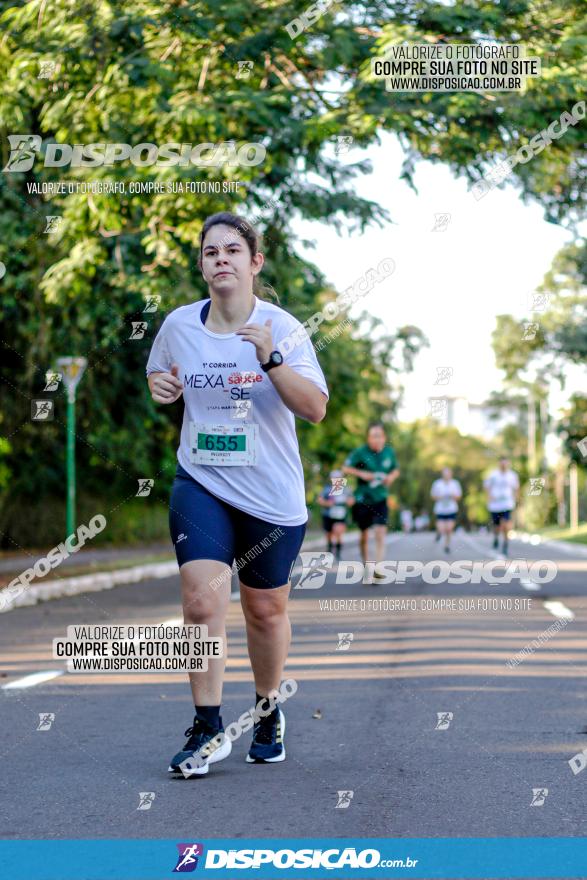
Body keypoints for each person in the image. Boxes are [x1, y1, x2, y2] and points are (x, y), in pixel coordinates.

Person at [146, 211, 329, 776]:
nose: (220, 259)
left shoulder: (284, 328)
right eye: (210, 252)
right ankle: (206, 728)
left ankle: (268, 710)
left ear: (255, 262)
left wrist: (270, 359)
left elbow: (316, 408)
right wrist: (160, 388)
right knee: (201, 603)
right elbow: (160, 381)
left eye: (232, 250)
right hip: (201, 481)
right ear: (202, 266)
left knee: (264, 609)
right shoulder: (179, 326)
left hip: (270, 494)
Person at [342, 422, 400, 580]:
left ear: (384, 437)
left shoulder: (389, 452)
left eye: (379, 436)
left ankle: (378, 567)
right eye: (373, 436)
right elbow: (345, 469)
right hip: (363, 499)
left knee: (380, 532)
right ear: (368, 438)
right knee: (365, 535)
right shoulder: (360, 453)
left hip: (381, 498)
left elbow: (395, 469)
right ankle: (367, 565)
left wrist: (391, 478)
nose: (376, 439)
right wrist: (362, 474)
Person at [483, 457, 520, 556]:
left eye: (505, 463)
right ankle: (496, 538)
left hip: (507, 504)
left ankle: (505, 544)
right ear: (499, 464)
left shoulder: (512, 475)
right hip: (495, 505)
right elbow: (487, 487)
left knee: (506, 525)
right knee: (497, 526)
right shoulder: (493, 475)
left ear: (508, 464)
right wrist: (489, 497)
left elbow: (516, 488)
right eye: (502, 463)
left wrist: (515, 499)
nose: (503, 465)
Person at [316, 470, 354, 561]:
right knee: (329, 534)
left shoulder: (346, 489)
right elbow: (319, 500)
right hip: (328, 514)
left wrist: (347, 502)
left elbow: (351, 501)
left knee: (338, 532)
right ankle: (329, 549)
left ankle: (338, 552)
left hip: (340, 515)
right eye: (334, 478)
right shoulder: (327, 489)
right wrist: (327, 503)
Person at [430, 468, 462, 553]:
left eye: (448, 473)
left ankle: (447, 545)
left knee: (449, 529)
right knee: (442, 529)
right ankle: (439, 533)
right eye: (445, 474)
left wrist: (453, 496)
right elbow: (433, 496)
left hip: (451, 509)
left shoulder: (455, 483)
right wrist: (440, 497)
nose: (447, 475)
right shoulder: (437, 483)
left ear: (451, 474)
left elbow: (458, 497)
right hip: (440, 510)